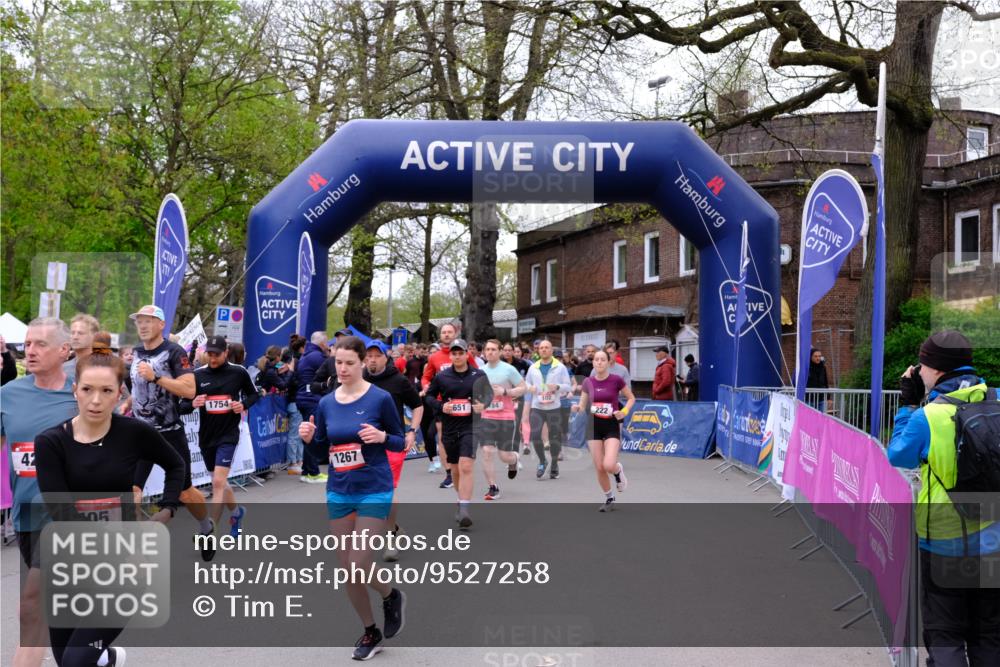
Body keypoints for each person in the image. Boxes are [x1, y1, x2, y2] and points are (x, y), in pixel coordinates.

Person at [35, 350, 184, 667]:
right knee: (68, 660)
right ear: (74, 389)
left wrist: (167, 510)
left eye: (106, 391)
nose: (96, 400)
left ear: (119, 394)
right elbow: (62, 512)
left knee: (76, 662)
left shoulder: (134, 432)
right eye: (87, 389)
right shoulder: (51, 442)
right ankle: (109, 659)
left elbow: (176, 465)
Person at [886, 330, 1000, 666]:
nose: (918, 372)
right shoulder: (997, 399)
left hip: (944, 540)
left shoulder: (928, 416)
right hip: (993, 537)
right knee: (989, 633)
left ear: (935, 369)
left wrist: (908, 405)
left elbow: (898, 455)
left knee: (945, 633)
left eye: (921, 366)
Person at [298, 336, 406, 661]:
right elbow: (322, 449)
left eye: (349, 363)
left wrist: (383, 436)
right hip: (339, 490)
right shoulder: (326, 403)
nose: (342, 368)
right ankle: (370, 630)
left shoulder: (380, 398)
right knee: (347, 568)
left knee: (358, 562)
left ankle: (390, 595)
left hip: (374, 487)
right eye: (338, 362)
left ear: (362, 364)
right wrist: (308, 439)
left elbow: (400, 441)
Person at [1, 318, 77, 667]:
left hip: (71, 518)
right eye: (28, 343)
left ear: (64, 351)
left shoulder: (81, 393)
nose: (30, 350)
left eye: (40, 344)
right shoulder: (8, 394)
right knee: (60, 615)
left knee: (32, 607)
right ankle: (98, 657)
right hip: (26, 515)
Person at [124, 305, 213, 559]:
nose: (142, 325)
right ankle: (136, 550)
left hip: (169, 433)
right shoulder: (137, 352)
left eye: (148, 321)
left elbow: (189, 390)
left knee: (185, 492)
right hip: (141, 434)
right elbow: (139, 387)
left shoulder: (174, 352)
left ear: (161, 324)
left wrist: (156, 378)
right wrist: (128, 403)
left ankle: (206, 527)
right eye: (139, 321)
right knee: (132, 491)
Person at [179, 336, 259, 540]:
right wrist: (193, 403)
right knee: (220, 483)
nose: (213, 358)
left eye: (217, 354)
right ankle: (237, 513)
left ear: (226, 353)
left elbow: (254, 395)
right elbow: (182, 406)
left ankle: (210, 530)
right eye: (210, 354)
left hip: (229, 434)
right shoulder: (197, 375)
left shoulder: (238, 372)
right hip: (206, 436)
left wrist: (243, 405)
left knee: (217, 482)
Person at [362, 340, 423, 562]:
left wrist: (412, 431)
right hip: (365, 443)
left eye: (376, 356)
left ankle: (389, 538)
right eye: (368, 356)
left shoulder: (398, 380)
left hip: (392, 442)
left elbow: (418, 405)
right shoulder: (359, 379)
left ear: (385, 358)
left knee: (386, 491)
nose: (372, 360)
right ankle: (394, 528)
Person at [424, 339, 492, 528]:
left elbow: (489, 394)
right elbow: (429, 396)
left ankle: (464, 509)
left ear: (467, 354)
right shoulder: (442, 376)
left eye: (461, 353)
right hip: (450, 427)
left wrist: (483, 405)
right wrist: (441, 406)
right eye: (454, 353)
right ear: (450, 356)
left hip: (471, 426)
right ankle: (460, 499)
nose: (457, 356)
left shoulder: (478, 374)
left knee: (466, 466)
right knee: (455, 469)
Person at [573, 349, 637, 511]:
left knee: (608, 464)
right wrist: (577, 408)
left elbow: (631, 398)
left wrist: (624, 412)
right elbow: (582, 405)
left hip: (611, 425)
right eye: (596, 359)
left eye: (603, 359)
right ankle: (609, 498)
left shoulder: (616, 380)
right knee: (599, 467)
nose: (599, 362)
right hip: (593, 426)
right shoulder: (588, 382)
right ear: (593, 363)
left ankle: (617, 470)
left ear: (608, 362)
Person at [421, 323, 478, 488]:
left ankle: (461, 465)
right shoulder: (434, 357)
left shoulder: (465, 354)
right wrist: (426, 386)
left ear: (455, 334)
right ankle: (449, 473)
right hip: (443, 404)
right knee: (441, 436)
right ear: (440, 335)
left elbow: (476, 375)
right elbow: (426, 377)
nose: (446, 334)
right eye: (444, 332)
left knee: (464, 438)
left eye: (449, 332)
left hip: (464, 403)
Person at [478, 339, 527, 500]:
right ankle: (493, 487)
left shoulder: (508, 369)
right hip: (486, 417)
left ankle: (514, 459)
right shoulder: (480, 371)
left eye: (493, 349)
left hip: (505, 417)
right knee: (487, 452)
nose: (490, 352)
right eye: (487, 349)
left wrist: (505, 392)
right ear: (484, 352)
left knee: (504, 456)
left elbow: (523, 388)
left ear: (500, 352)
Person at [523, 340, 572, 480]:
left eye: (546, 348)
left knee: (554, 437)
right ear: (538, 351)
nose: (544, 350)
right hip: (537, 406)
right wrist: (530, 387)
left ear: (551, 350)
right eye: (541, 348)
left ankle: (554, 464)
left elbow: (568, 386)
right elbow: (526, 382)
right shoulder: (533, 367)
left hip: (554, 407)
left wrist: (557, 387)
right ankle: (542, 461)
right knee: (535, 435)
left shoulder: (560, 367)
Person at [293, 331, 330, 484]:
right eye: (327, 343)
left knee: (308, 434)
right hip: (312, 399)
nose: (327, 346)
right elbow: (332, 370)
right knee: (312, 435)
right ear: (322, 343)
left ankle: (307, 471)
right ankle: (313, 473)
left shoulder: (305, 355)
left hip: (304, 398)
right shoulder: (318, 357)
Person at [62, 313, 99, 378]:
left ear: (95, 336)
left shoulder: (107, 368)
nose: (75, 337)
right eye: (72, 333)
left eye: (80, 333)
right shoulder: (63, 369)